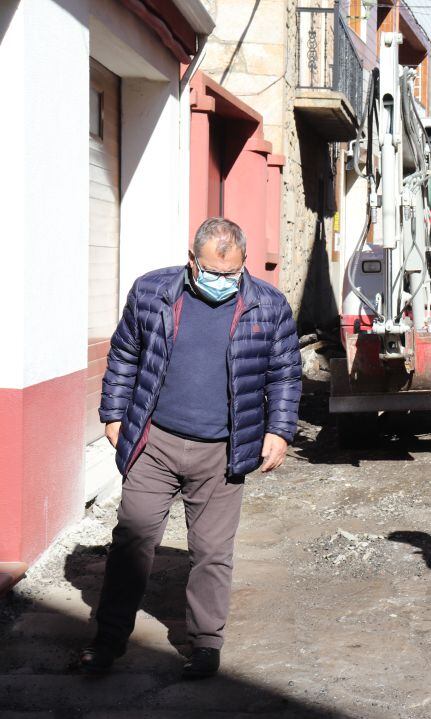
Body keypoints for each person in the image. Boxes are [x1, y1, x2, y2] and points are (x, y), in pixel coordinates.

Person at [81, 217, 302, 679]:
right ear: (191, 261)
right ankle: (108, 638)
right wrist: (114, 414)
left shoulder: (268, 305)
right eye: (213, 273)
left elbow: (284, 374)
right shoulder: (152, 293)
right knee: (134, 540)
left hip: (222, 452)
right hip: (154, 443)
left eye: (232, 274)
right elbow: (124, 353)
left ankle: (204, 645)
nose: (223, 283)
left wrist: (279, 431)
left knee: (212, 552)